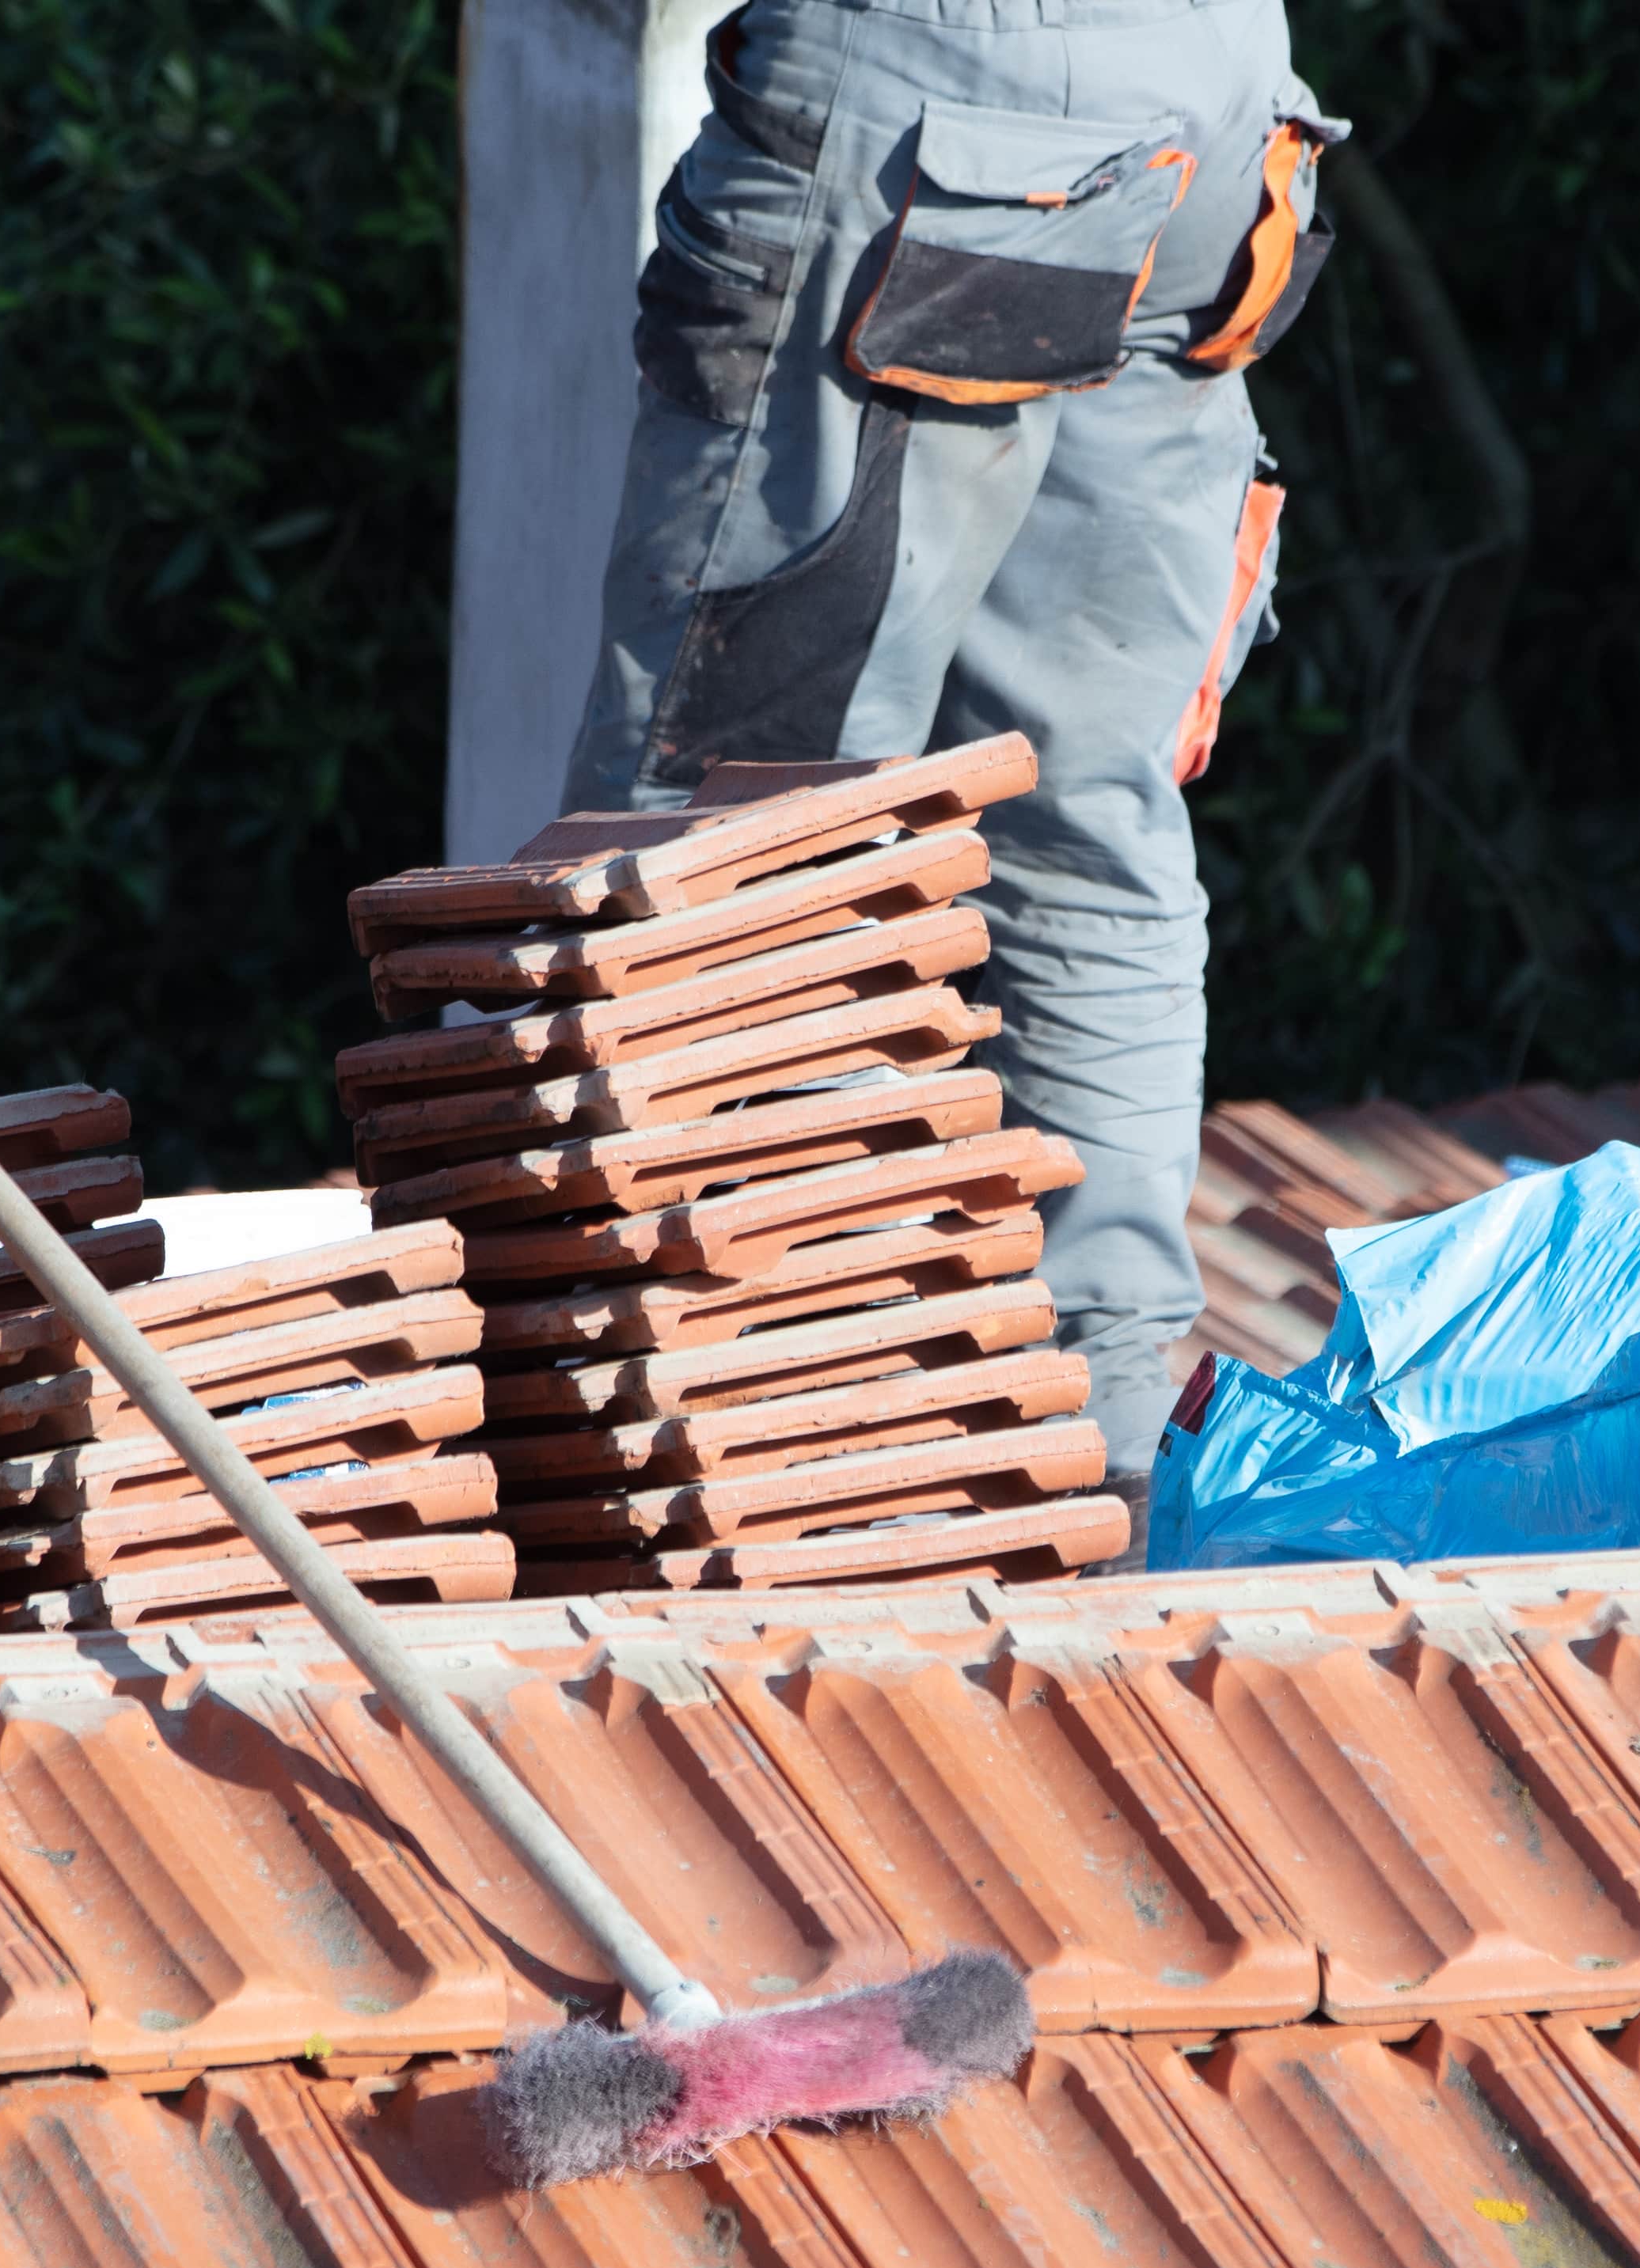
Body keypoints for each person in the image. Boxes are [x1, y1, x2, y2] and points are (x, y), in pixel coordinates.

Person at [566, 0, 1338, 1493]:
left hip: (947, 100)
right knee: (1089, 823)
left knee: (734, 824)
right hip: (1216, 98)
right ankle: (1096, 1413)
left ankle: (743, 1413)